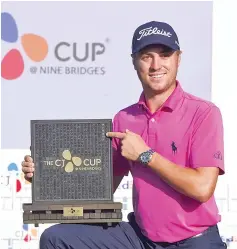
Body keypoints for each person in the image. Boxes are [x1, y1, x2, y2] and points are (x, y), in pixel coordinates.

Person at [22, 21, 226, 249]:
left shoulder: (204, 113)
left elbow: (201, 189)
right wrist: (47, 177)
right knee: (55, 238)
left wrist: (146, 155)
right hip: (140, 238)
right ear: (134, 61)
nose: (156, 65)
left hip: (195, 241)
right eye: (147, 56)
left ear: (178, 58)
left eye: (165, 55)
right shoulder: (124, 118)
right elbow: (99, 191)